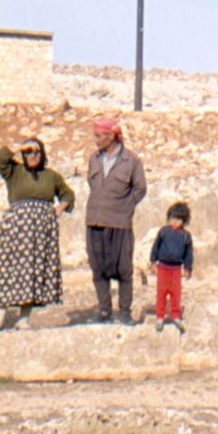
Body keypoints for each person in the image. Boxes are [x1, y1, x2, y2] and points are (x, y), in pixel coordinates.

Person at [0, 137, 75, 330]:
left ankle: (23, 319)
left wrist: (58, 209)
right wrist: (18, 147)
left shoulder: (51, 176)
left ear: (42, 154)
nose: (32, 155)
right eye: (28, 152)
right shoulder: (14, 171)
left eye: (36, 151)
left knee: (32, 271)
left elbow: (68, 194)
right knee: (8, 268)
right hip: (17, 229)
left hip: (40, 232)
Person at [85, 117, 147, 325]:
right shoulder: (94, 159)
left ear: (111, 136)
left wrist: (125, 207)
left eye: (99, 136)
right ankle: (104, 310)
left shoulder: (131, 161)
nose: (96, 140)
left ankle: (124, 312)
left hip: (120, 223)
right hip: (95, 221)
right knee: (98, 268)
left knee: (124, 270)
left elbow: (140, 189)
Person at [149, 201, 193, 332]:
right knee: (161, 293)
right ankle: (160, 317)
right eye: (172, 218)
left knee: (176, 294)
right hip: (163, 267)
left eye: (178, 219)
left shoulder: (186, 236)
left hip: (176, 269)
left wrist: (187, 268)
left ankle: (175, 315)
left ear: (184, 221)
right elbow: (155, 247)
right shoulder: (163, 232)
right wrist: (152, 262)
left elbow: (189, 254)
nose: (174, 221)